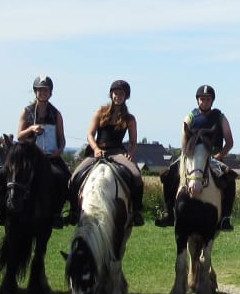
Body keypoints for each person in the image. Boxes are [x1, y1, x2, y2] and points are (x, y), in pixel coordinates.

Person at [155, 84, 237, 231]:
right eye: (201, 99)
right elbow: (184, 140)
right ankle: (169, 213)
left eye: (207, 99)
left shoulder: (220, 117)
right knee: (168, 175)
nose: (204, 102)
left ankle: (225, 217)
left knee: (230, 178)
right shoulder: (190, 116)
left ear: (212, 101)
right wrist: (187, 156)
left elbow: (229, 142)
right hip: (192, 156)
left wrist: (219, 156)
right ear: (197, 100)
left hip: (213, 156)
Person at [68, 80, 145, 226]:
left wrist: (130, 153)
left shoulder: (130, 119)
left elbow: (134, 142)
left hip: (117, 152)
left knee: (136, 176)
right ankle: (73, 211)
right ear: (111, 94)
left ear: (126, 97)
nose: (118, 96)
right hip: (98, 151)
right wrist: (96, 149)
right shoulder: (100, 112)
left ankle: (136, 211)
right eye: (116, 93)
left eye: (121, 94)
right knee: (74, 176)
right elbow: (90, 134)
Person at [16, 76, 71, 228]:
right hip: (30, 155)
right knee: (7, 175)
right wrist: (31, 129)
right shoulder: (26, 112)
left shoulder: (56, 113)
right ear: (35, 92)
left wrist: (59, 151)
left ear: (50, 93)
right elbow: (19, 135)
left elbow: (62, 139)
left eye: (45, 90)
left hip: (50, 157)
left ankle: (57, 213)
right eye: (40, 90)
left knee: (63, 177)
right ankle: (2, 210)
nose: (43, 93)